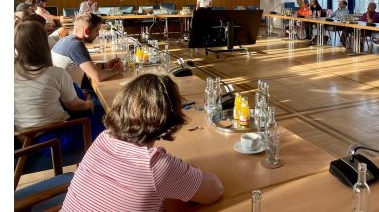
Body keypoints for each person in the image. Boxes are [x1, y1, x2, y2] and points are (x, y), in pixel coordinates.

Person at [61, 74, 224, 211]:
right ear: (170, 117)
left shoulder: (103, 138)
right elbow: (214, 191)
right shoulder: (155, 165)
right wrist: (188, 172)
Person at [14, 21, 103, 151]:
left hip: (23, 138)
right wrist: (91, 103)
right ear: (43, 43)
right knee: (107, 116)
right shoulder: (55, 73)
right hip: (51, 139)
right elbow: (75, 106)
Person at [51, 12, 123, 89]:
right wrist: (116, 70)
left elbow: (85, 67)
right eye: (96, 31)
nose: (98, 34)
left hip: (64, 92)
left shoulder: (64, 40)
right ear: (86, 31)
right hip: (73, 97)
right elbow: (97, 76)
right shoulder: (76, 46)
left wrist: (105, 65)